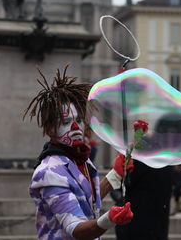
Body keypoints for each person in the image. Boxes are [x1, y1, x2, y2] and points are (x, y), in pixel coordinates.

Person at [26, 66, 133, 239]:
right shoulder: (49, 173)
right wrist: (110, 219)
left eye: (78, 120)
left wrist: (116, 175)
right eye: (66, 121)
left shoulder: (81, 160)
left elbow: (86, 199)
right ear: (51, 129)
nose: (75, 127)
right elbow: (75, 229)